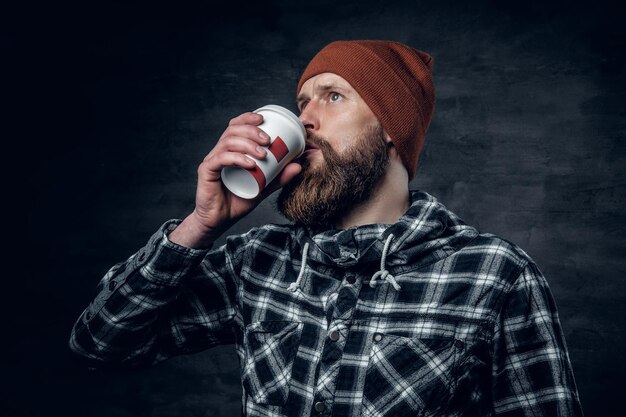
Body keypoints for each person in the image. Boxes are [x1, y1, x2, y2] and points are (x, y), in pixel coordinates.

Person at [69, 40, 584, 417]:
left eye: (333, 96)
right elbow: (100, 344)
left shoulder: (493, 274)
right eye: (302, 103)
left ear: (390, 125)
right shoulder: (257, 261)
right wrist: (201, 225)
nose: (307, 119)